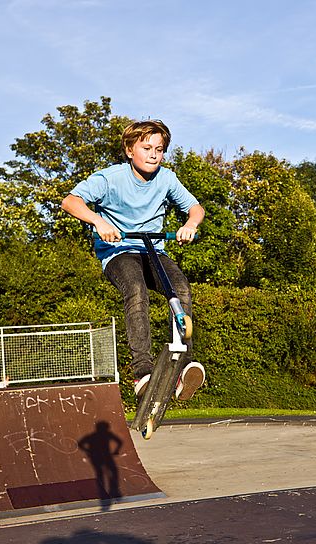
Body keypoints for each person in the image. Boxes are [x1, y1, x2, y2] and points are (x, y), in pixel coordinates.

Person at [61, 119, 205, 403]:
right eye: (147, 147)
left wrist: (191, 224)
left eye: (160, 149)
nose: (154, 154)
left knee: (181, 291)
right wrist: (98, 221)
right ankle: (143, 372)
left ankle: (182, 367)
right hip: (118, 252)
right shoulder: (109, 178)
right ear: (130, 150)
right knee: (137, 292)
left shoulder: (167, 179)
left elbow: (195, 208)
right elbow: (70, 201)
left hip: (154, 252)